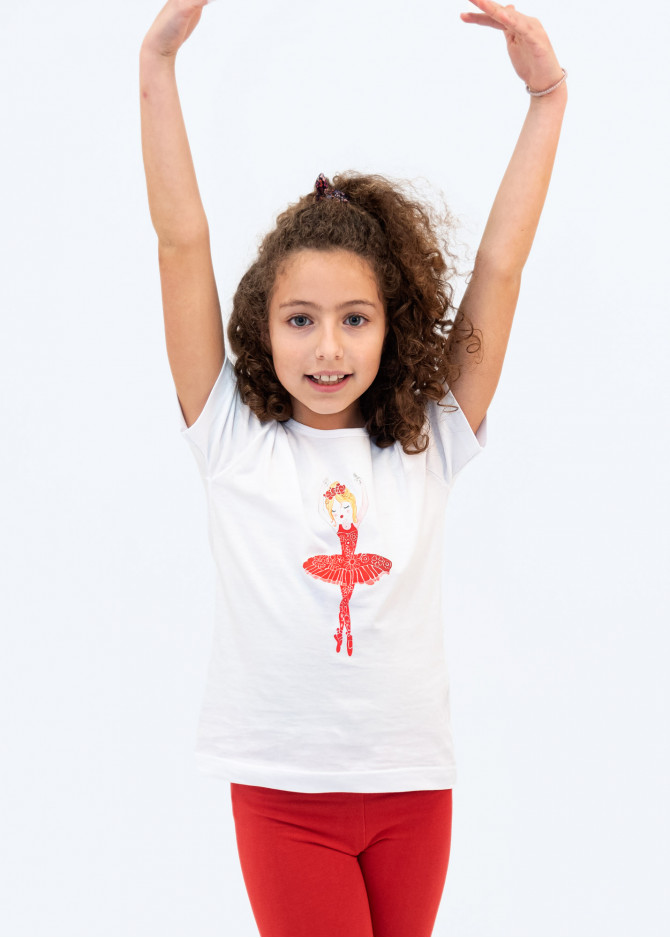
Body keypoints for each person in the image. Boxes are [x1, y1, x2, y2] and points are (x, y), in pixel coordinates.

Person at [139, 1, 567, 934]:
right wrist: (157, 67)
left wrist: (547, 99)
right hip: (285, 796)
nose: (327, 347)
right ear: (260, 325)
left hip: (413, 789)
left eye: (355, 319)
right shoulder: (231, 436)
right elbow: (181, 242)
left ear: (391, 326)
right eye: (300, 319)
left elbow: (500, 268)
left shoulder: (428, 437)